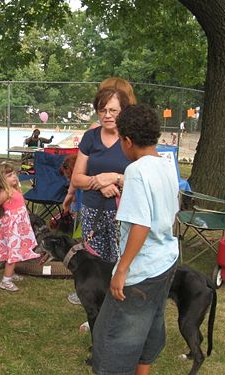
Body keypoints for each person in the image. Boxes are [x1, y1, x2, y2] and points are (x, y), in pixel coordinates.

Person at [92, 104, 179, 375]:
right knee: (151, 321)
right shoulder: (166, 164)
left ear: (127, 141)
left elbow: (141, 224)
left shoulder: (136, 171)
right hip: (166, 260)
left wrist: (122, 269)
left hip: (141, 270)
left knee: (113, 336)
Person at [67, 88, 131, 305]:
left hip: (122, 212)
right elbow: (77, 178)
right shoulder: (90, 137)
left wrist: (113, 178)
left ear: (123, 111)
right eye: (102, 110)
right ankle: (96, 311)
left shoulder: (130, 139)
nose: (108, 115)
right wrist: (100, 183)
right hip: (92, 210)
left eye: (113, 110)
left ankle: (118, 308)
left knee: (119, 262)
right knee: (94, 262)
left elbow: (140, 179)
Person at [0, 162, 40, 292]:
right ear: (1, 179)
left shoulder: (14, 189)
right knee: (13, 252)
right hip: (13, 229)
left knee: (15, 251)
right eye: (10, 175)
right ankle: (6, 281)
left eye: (14, 174)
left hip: (19, 226)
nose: (14, 177)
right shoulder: (5, 193)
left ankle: (10, 274)